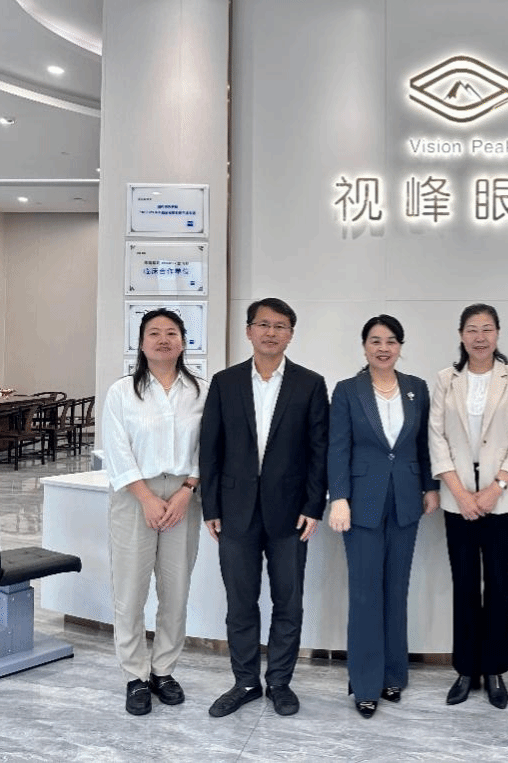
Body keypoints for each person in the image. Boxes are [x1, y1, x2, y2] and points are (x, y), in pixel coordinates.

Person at [199, 298, 328, 718]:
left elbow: (319, 451)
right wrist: (211, 505)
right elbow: (210, 448)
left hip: (291, 514)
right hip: (235, 511)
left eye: (280, 326)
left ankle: (280, 682)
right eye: (263, 324)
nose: (271, 332)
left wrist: (313, 505)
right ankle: (245, 682)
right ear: (249, 330)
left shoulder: (310, 384)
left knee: (289, 602)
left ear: (291, 334)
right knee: (241, 602)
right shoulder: (225, 382)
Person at [328, 314, 439, 718]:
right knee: (365, 595)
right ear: (364, 346)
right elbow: (338, 447)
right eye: (375, 340)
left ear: (400, 346)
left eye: (391, 340)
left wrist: (430, 486)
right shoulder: (347, 390)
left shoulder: (416, 388)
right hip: (361, 504)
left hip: (406, 501)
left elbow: (425, 443)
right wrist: (339, 497)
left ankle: (394, 674)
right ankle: (364, 682)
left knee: (396, 591)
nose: (383, 348)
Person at [428, 303, 508, 709]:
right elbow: (436, 437)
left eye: (487, 329)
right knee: (465, 584)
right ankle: (466, 669)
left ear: (497, 334)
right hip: (458, 501)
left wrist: (496, 488)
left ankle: (494, 669)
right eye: (472, 329)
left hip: (501, 500)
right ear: (461, 335)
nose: (479, 337)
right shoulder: (446, 379)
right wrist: (460, 493)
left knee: (499, 585)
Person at [101, 308, 206, 716]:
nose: (163, 339)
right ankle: (134, 675)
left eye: (172, 333)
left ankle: (163, 671)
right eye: (154, 333)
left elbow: (208, 446)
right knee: (130, 591)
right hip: (134, 496)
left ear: (183, 342)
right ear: (141, 343)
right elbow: (116, 448)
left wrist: (187, 490)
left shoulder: (201, 391)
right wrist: (145, 497)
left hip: (183, 496)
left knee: (175, 591)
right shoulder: (122, 392)